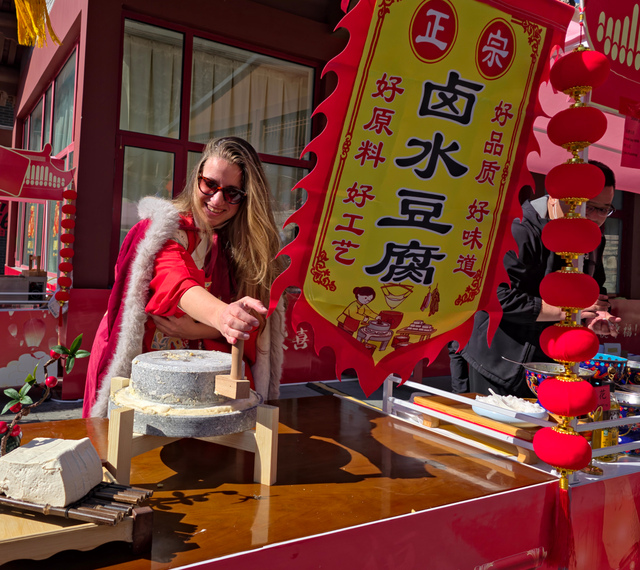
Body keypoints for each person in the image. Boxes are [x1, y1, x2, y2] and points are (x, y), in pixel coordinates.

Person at [84, 137, 286, 417]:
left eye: (232, 193)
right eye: (210, 184)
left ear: (246, 199)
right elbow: (174, 280)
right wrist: (221, 316)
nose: (217, 200)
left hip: (206, 380)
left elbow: (257, 322)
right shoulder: (162, 230)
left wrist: (202, 330)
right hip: (146, 370)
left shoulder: (244, 247)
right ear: (196, 178)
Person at [461, 160, 621, 398]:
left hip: (554, 357)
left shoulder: (592, 236)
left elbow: (593, 287)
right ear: (555, 197)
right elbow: (494, 298)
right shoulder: (519, 228)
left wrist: (597, 314)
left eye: (604, 209)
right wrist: (567, 311)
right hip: (499, 359)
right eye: (587, 206)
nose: (595, 218)